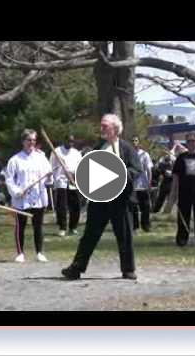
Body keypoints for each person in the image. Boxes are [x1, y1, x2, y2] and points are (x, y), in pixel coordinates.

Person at [61, 114, 142, 280]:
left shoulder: (126, 148)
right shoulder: (98, 147)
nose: (102, 128)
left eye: (105, 126)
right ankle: (76, 268)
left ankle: (128, 269)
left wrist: (121, 174)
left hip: (121, 199)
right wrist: (78, 176)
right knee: (90, 234)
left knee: (124, 234)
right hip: (100, 198)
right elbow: (88, 170)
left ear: (115, 128)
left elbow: (136, 169)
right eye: (102, 125)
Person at [5, 129, 52, 263]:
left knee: (38, 226)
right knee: (21, 225)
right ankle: (20, 253)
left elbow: (48, 178)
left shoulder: (41, 158)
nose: (31, 143)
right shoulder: (15, 160)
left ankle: (39, 252)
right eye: (29, 140)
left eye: (33, 140)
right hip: (22, 199)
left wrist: (49, 177)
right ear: (23, 141)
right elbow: (9, 179)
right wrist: (17, 191)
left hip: (38, 197)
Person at [169, 132, 195, 246]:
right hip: (184, 192)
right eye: (188, 141)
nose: (191, 143)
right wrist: (173, 193)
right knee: (183, 216)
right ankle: (182, 239)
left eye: (193, 141)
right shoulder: (181, 158)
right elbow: (175, 177)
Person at [50, 135, 82, 237]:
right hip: (61, 181)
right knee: (61, 206)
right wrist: (59, 168)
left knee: (76, 205)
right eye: (69, 141)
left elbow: (80, 167)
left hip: (73, 181)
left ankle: (73, 227)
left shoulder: (76, 153)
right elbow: (51, 166)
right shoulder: (56, 151)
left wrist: (74, 175)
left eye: (72, 141)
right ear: (64, 141)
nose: (71, 143)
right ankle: (62, 227)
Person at [131, 136, 153, 233]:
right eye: (132, 141)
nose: (134, 142)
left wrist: (149, 182)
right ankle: (135, 227)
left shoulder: (144, 154)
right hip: (133, 186)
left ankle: (146, 225)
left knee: (146, 207)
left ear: (139, 142)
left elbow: (149, 169)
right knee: (134, 207)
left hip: (143, 185)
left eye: (136, 140)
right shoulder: (129, 154)